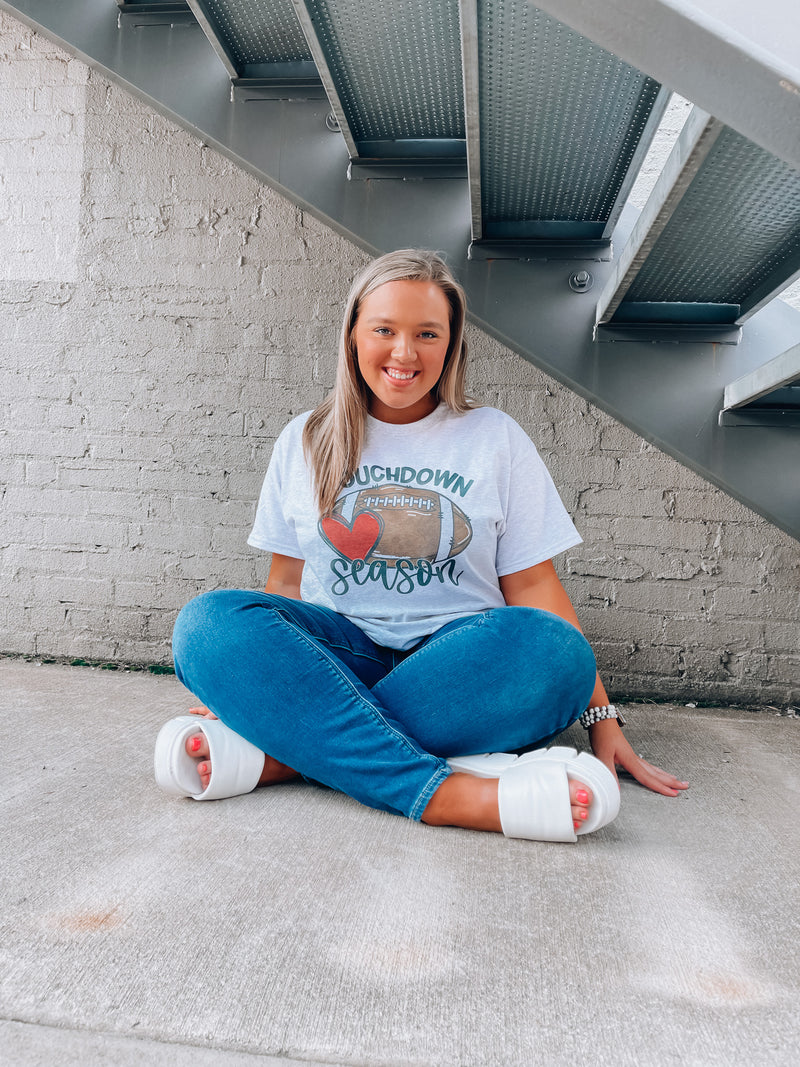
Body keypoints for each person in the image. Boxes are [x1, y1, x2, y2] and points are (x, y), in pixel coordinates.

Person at [154, 249, 688, 842]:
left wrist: (601, 716)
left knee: (554, 651)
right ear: (354, 333)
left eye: (427, 334)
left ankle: (291, 755)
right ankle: (446, 797)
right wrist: (244, 674)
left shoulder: (494, 439)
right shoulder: (305, 438)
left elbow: (536, 589)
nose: (404, 353)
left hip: (460, 665)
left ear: (452, 344)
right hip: (341, 654)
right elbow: (283, 586)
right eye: (384, 329)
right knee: (206, 626)